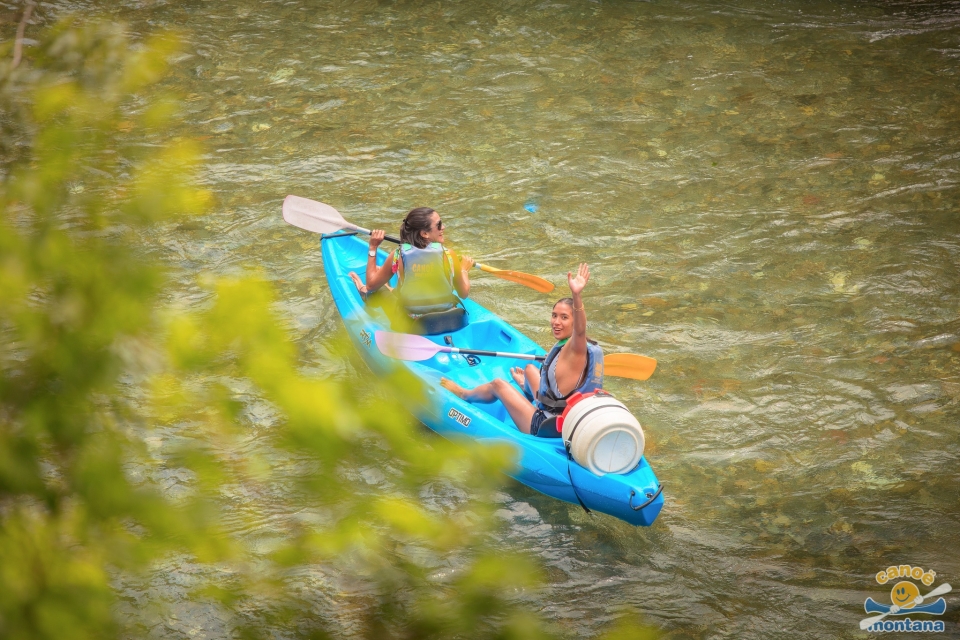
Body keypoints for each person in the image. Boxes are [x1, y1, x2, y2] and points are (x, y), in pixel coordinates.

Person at [440, 263, 603, 438]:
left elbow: (580, 330)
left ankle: (464, 394)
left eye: (564, 317)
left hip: (544, 425)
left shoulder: (577, 348)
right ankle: (525, 387)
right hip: (560, 414)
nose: (556, 322)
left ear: (574, 321)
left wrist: (576, 295)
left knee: (498, 384)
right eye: (554, 315)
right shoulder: (569, 345)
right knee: (530, 370)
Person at [348, 207, 475, 332]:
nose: (443, 227)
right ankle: (391, 288)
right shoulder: (449, 254)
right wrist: (463, 270)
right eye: (439, 225)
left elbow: (371, 285)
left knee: (378, 289)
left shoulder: (398, 255)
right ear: (424, 233)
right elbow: (464, 293)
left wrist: (373, 247)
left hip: (414, 326)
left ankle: (364, 292)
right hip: (451, 320)